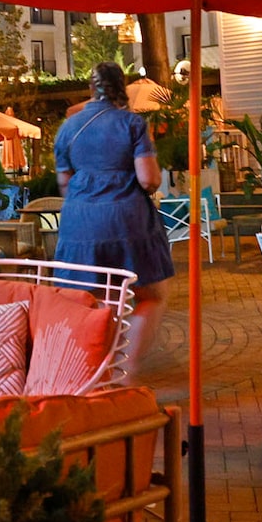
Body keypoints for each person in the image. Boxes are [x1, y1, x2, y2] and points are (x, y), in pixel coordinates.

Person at [54, 61, 175, 377]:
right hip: (127, 221)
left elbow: (64, 183)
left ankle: (92, 372)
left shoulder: (67, 128)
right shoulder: (132, 124)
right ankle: (126, 370)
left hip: (79, 222)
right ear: (120, 87)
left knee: (93, 298)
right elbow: (148, 179)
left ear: (91, 88)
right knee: (151, 295)